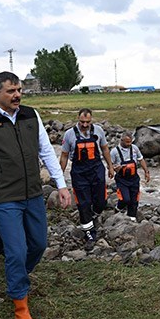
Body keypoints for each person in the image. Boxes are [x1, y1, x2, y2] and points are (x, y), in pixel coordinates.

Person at [0, 71, 71, 319]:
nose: (17, 95)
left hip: (33, 193)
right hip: (3, 198)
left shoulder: (30, 115)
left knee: (38, 244)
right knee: (16, 251)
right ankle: (21, 306)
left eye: (19, 90)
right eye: (11, 91)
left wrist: (62, 184)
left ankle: (18, 279)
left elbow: (46, 151)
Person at [59, 108, 115, 251]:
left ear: (92, 119)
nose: (85, 125)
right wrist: (60, 176)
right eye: (82, 122)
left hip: (96, 169)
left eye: (87, 122)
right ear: (78, 118)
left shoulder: (99, 131)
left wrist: (110, 166)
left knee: (101, 201)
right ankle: (89, 234)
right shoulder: (69, 134)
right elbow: (64, 155)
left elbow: (105, 149)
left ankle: (94, 215)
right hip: (79, 173)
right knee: (83, 205)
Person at [110, 132, 150, 222]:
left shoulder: (134, 148)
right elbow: (110, 166)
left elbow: (141, 159)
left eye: (130, 142)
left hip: (134, 178)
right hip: (122, 179)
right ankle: (118, 207)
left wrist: (146, 172)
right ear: (121, 140)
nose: (129, 144)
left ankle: (132, 217)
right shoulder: (114, 152)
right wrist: (116, 168)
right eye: (127, 142)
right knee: (125, 199)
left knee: (134, 199)